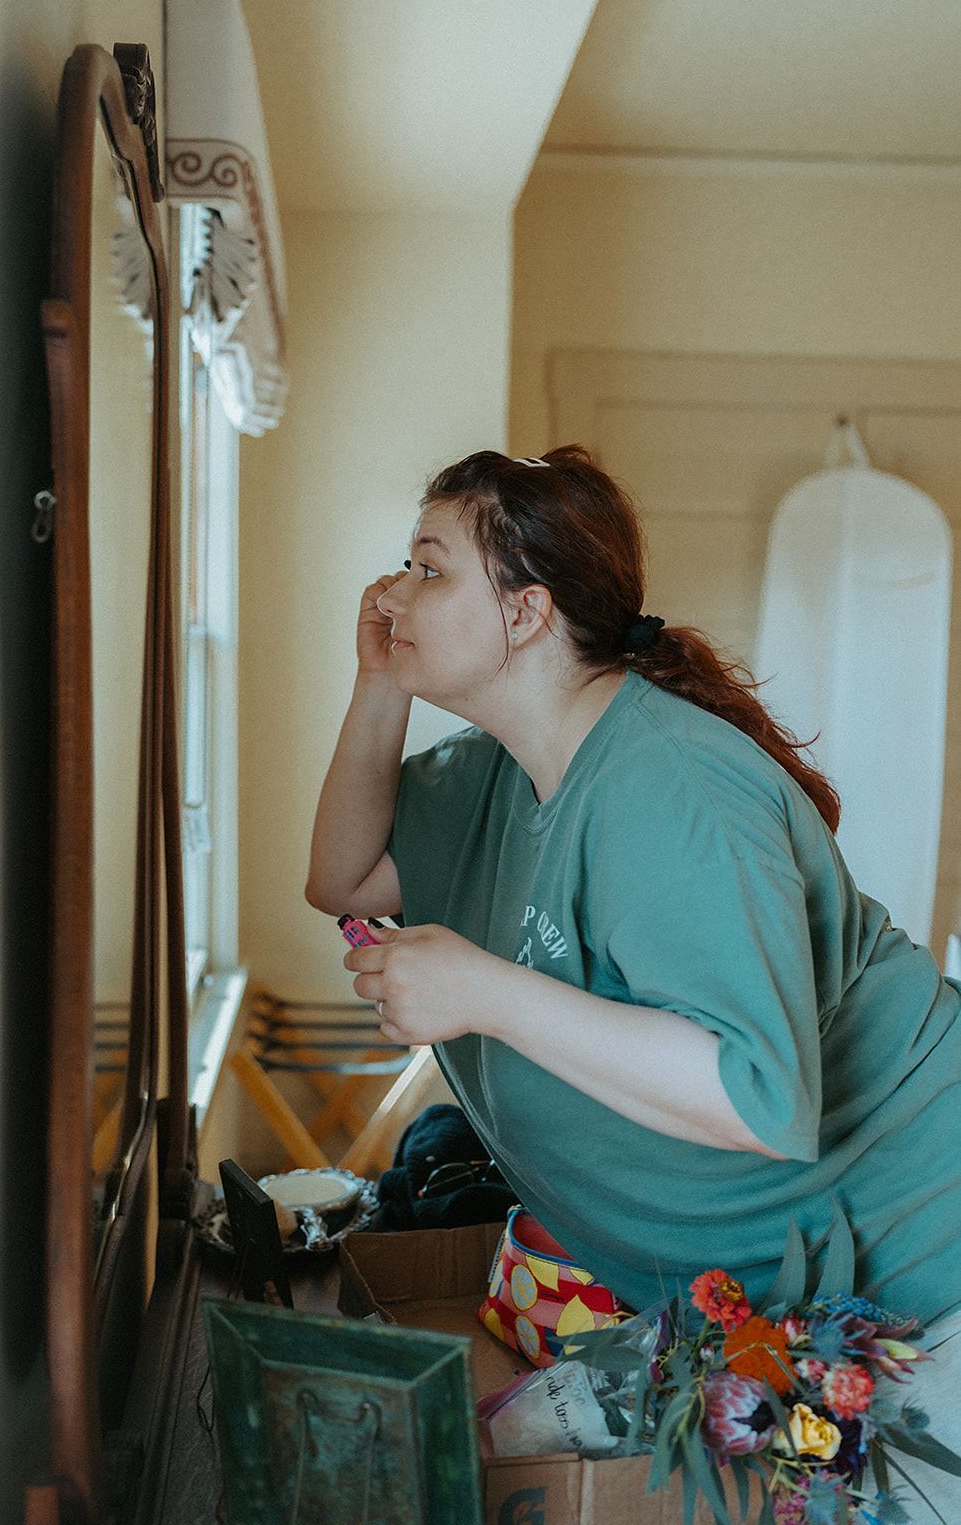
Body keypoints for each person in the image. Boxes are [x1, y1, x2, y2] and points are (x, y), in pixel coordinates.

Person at [305, 446, 961, 1516]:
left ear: (524, 612)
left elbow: (757, 1093)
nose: (392, 592)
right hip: (763, 1321)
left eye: (428, 568)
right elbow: (340, 872)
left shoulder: (670, 789)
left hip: (931, 1276)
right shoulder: (495, 776)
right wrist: (377, 682)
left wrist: (482, 992)